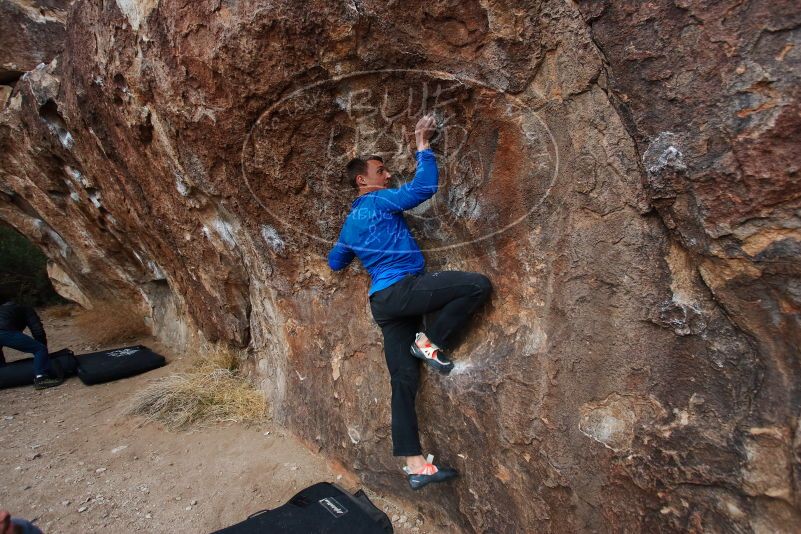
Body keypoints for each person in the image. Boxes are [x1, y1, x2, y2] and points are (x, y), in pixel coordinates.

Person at [327, 114, 492, 490]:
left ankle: (415, 464)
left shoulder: (350, 223)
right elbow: (423, 188)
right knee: (476, 286)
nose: (386, 176)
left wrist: (357, 244)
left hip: (383, 305)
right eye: (380, 171)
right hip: (402, 290)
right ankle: (429, 341)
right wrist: (423, 144)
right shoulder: (379, 200)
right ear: (362, 181)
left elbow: (335, 263)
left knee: (403, 380)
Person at [0, 296, 62, 389]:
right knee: (39, 349)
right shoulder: (25, 308)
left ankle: (4, 379)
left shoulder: (2, 308)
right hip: (4, 332)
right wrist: (43, 348)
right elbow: (38, 330)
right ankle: (41, 378)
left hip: (4, 331)